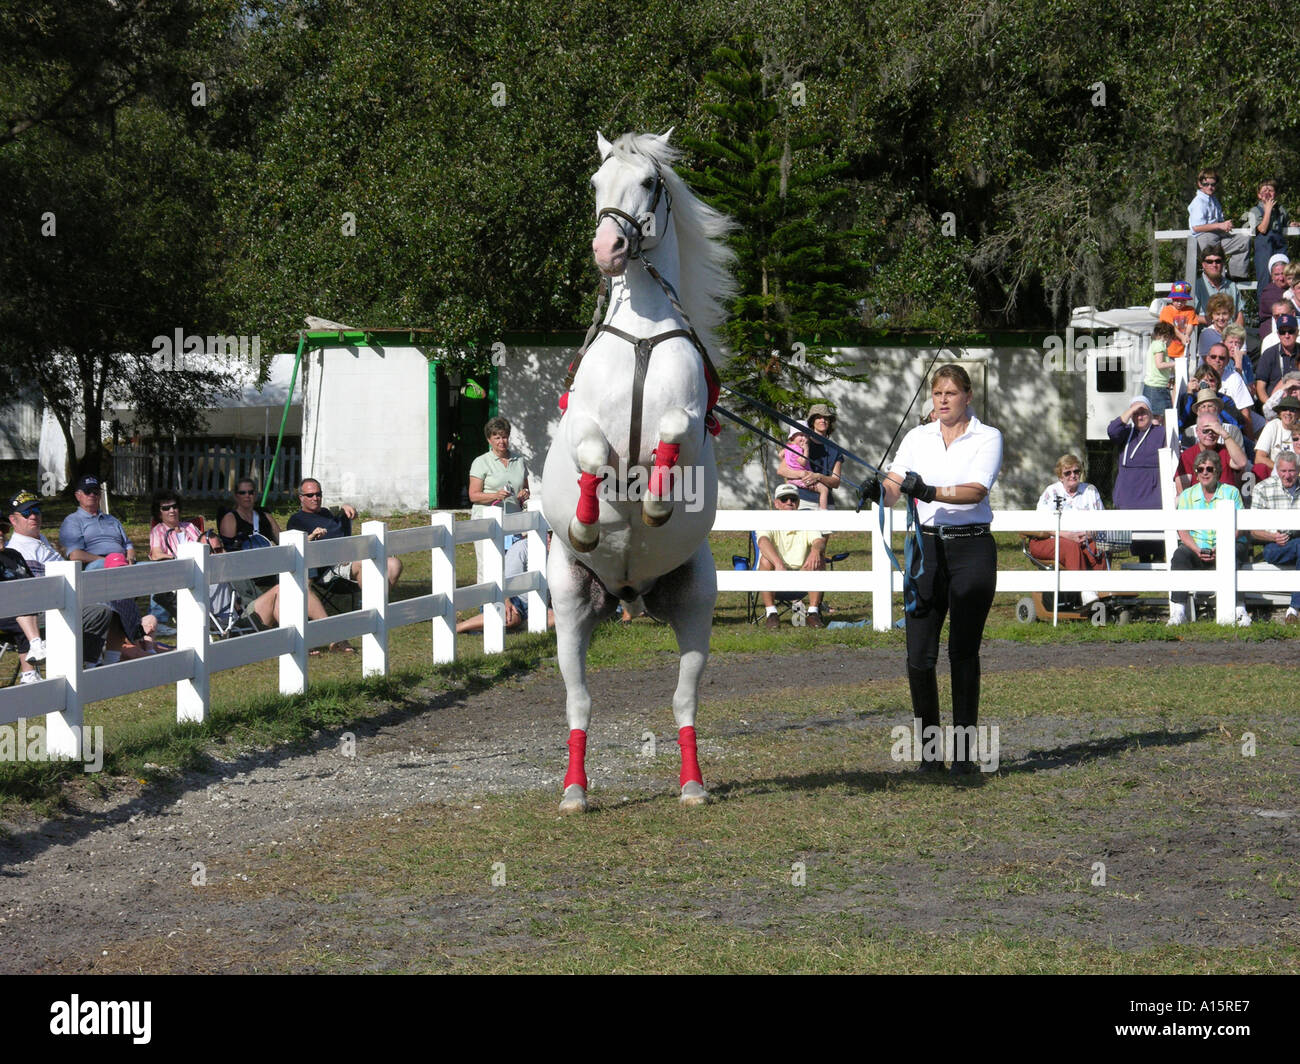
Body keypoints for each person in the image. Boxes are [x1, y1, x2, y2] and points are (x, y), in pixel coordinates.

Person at [867, 363, 1003, 776]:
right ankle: (929, 756)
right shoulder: (916, 437)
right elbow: (894, 483)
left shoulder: (987, 437)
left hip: (972, 548)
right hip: (925, 549)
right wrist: (878, 490)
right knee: (918, 654)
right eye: (937, 393)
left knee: (962, 651)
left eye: (951, 393)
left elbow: (976, 490)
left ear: (968, 397)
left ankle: (963, 756)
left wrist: (927, 490)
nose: (943, 400)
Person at [4, 490, 112, 671]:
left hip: (65, 598)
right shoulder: (17, 550)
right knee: (99, 611)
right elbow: (32, 592)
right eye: (26, 513)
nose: (33, 516)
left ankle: (88, 662)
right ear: (13, 520)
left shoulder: (41, 540)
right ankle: (79, 666)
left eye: (36, 511)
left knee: (108, 605)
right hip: (39, 610)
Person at [1169, 453, 1250, 627]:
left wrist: (1221, 548)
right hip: (1197, 547)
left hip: (1227, 544)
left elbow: (1239, 528)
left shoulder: (1231, 492)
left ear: (1217, 471)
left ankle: (1239, 610)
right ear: (1196, 473)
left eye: (1209, 469)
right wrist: (1197, 549)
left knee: (1233, 554)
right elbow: (1182, 530)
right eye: (1201, 469)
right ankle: (1178, 612)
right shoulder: (1187, 496)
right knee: (1179, 555)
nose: (1205, 473)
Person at [287, 477, 402, 590]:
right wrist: (311, 537)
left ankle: (378, 604)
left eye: (318, 494)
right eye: (310, 495)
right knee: (366, 565)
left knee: (395, 564)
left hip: (350, 558)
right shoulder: (297, 520)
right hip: (328, 569)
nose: (315, 498)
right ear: (301, 498)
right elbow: (293, 549)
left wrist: (345, 507)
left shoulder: (326, 512)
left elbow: (342, 513)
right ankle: (372, 605)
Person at [1025, 455, 1105, 598]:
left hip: (1084, 538)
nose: (1073, 475)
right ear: (1060, 477)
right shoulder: (1051, 492)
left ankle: (1102, 592)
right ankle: (1085, 592)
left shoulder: (1090, 491)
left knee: (1098, 547)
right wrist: (1067, 535)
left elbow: (1101, 519)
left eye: (1076, 471)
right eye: (1067, 473)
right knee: (1070, 547)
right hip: (1051, 538)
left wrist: (1089, 534)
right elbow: (1040, 524)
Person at [755, 483, 828, 629]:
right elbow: (762, 542)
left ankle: (813, 613)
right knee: (765, 561)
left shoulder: (806, 521)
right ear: (776, 504)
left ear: (798, 503)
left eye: (793, 499)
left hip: (802, 573)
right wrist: (779, 564)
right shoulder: (767, 520)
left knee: (818, 559)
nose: (789, 502)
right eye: (784, 499)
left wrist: (815, 551)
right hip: (776, 574)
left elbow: (819, 541)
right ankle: (771, 613)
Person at [468, 416, 530, 585]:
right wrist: (495, 495)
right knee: (488, 564)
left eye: (504, 436)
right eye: (497, 437)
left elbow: (525, 488)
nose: (501, 441)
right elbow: (473, 495)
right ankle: (485, 606)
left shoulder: (519, 460)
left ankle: (512, 604)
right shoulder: (481, 462)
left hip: (513, 519)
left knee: (512, 563)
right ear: (489, 439)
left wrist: (523, 494)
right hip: (486, 520)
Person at [455, 535, 555, 634]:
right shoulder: (522, 548)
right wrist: (506, 600)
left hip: (536, 604)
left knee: (558, 618)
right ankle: (459, 626)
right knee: (510, 618)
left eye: (552, 535)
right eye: (547, 535)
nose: (550, 539)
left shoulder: (556, 556)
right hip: (513, 599)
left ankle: (517, 625)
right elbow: (506, 581)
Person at [1108, 397, 1167, 562]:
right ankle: (1143, 561)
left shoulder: (1160, 432)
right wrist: (1131, 410)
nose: (1140, 416)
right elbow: (1112, 431)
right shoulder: (1126, 432)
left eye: (1144, 412)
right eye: (1136, 413)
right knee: (1138, 539)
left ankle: (1157, 559)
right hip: (1130, 491)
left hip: (1152, 490)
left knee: (1155, 535)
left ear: (1150, 413)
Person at [1249, 450, 1300, 623]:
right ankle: (1295, 608)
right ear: (1277, 470)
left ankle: (1293, 609)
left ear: (1298, 470)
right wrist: (1272, 537)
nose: (1287, 476)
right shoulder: (1263, 488)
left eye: (1291, 471)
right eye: (1283, 471)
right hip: (1274, 545)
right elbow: (1253, 529)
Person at [58, 474, 134, 568]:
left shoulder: (112, 520)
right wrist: (107, 560)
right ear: (78, 496)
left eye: (96, 492)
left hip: (122, 561)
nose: (92, 495)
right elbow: (75, 555)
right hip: (95, 564)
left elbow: (128, 546)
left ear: (100, 495)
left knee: (154, 568)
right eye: (88, 491)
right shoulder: (72, 521)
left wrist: (130, 559)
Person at [777, 404, 843, 511]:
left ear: (830, 421)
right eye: (818, 417)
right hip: (802, 501)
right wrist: (802, 474)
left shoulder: (836, 450)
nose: (823, 420)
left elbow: (836, 482)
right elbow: (782, 470)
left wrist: (818, 476)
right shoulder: (801, 442)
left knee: (827, 528)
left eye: (826, 417)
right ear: (812, 421)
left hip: (826, 503)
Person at [1187, 169, 1250, 279]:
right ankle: (1217, 283)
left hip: (1218, 236)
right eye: (1206, 184)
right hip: (1205, 238)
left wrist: (1225, 225)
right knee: (1216, 263)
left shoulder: (1214, 200)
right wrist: (1220, 225)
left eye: (1212, 184)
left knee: (1244, 240)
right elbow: (1196, 227)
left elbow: (1219, 222)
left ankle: (1236, 277)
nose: (1209, 187)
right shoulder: (1199, 201)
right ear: (1199, 184)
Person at [1175, 409, 1249, 491]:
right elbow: (1182, 491)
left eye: (1214, 430)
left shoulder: (1225, 451)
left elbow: (1241, 463)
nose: (1210, 434)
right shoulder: (1187, 455)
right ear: (1197, 431)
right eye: (1205, 430)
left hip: (1225, 500)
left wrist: (1225, 434)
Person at [218, 477, 281, 550]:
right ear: (236, 496)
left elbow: (281, 541)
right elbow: (228, 550)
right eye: (242, 493)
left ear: (255, 495)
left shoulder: (266, 516)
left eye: (251, 492)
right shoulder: (230, 519)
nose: (247, 495)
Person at [1249, 179, 1289, 288]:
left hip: (1280, 248)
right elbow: (1262, 229)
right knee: (1265, 281)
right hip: (1264, 249)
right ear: (1259, 195)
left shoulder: (1281, 210)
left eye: (1270, 190)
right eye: (1264, 191)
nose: (1267, 193)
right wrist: (1268, 210)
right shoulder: (1254, 211)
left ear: (1275, 193)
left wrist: (1292, 224)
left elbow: (1285, 224)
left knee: (1283, 278)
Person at [1255, 313, 1299, 407]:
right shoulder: (1269, 354)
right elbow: (1260, 387)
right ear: (1278, 334)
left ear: (1297, 332)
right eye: (1282, 332)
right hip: (1276, 405)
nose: (1286, 335)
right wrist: (1270, 406)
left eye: (1291, 331)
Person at [1253, 396, 1300, 481]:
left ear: (1298, 414)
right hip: (1274, 473)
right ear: (1279, 413)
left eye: (1292, 410)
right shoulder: (1272, 426)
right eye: (1284, 409)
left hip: (1297, 474)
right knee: (1259, 468)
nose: (1288, 413)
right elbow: (1259, 458)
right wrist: (1282, 469)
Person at [1193, 246, 1243, 326]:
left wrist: (1236, 334)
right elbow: (1187, 315)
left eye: (1218, 261)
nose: (1214, 265)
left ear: (1222, 264)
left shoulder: (1232, 286)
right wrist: (1209, 320)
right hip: (1204, 334)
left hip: (1230, 334)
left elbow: (1239, 315)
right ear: (1203, 265)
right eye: (1209, 261)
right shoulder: (1195, 287)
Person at [780, 426, 829, 508]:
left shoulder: (788, 447)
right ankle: (823, 510)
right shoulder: (799, 449)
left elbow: (780, 455)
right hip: (803, 479)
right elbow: (803, 462)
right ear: (793, 437)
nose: (804, 438)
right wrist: (806, 450)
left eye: (806, 436)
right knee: (824, 490)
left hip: (792, 479)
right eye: (801, 435)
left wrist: (790, 462)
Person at [1141, 321, 1177, 414]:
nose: (1171, 342)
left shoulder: (1155, 344)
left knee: (1158, 416)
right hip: (1156, 387)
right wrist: (1175, 363)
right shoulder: (1160, 344)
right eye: (1172, 338)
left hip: (1155, 387)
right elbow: (1159, 364)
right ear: (1167, 336)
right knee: (1157, 417)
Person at [1158, 281, 1197, 362]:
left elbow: (1191, 324)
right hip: (1168, 351)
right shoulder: (1167, 310)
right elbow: (1171, 327)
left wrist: (1187, 335)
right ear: (1172, 299)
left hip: (1183, 352)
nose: (1179, 303)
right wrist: (1182, 337)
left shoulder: (1190, 310)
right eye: (1176, 300)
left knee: (1182, 373)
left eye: (1183, 300)